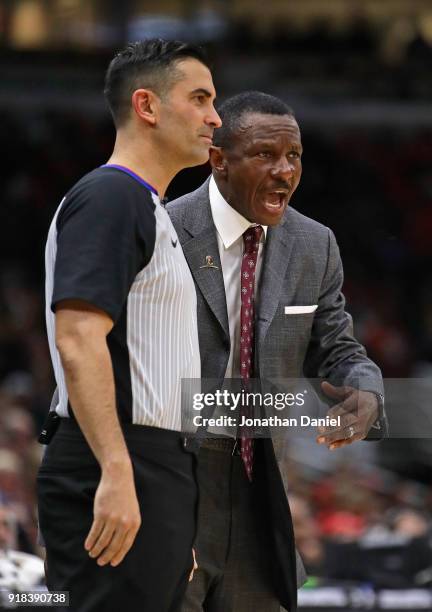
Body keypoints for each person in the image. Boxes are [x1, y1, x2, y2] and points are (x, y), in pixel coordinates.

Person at [167, 91, 386, 612]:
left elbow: (337, 345)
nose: (285, 170)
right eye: (266, 154)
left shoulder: (315, 244)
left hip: (262, 482)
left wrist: (366, 388)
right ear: (218, 159)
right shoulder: (163, 231)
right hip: (174, 478)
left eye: (295, 155)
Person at [36, 39, 221, 612]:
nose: (216, 117)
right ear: (147, 106)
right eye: (200, 98)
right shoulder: (113, 196)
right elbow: (78, 337)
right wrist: (118, 473)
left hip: (154, 464)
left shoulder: (145, 205)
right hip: (117, 458)